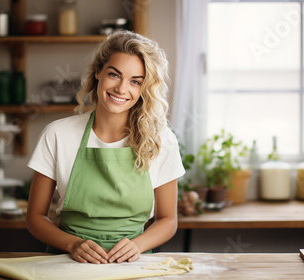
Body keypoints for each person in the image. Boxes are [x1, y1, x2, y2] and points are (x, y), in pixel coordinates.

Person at [26, 31, 185, 265]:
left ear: (144, 88)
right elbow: (35, 217)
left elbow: (168, 220)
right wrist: (72, 244)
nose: (121, 89)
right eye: (114, 74)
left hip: (133, 264)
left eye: (135, 81)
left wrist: (137, 246)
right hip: (69, 262)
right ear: (98, 72)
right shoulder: (58, 134)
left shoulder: (161, 140)